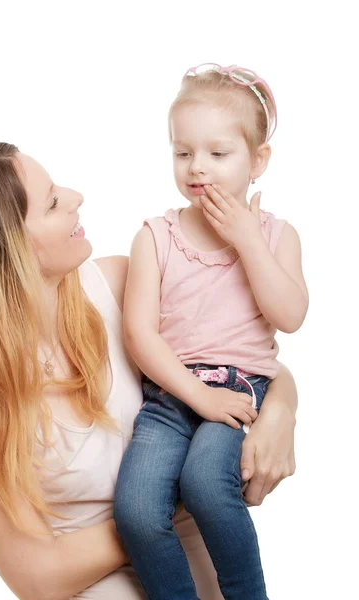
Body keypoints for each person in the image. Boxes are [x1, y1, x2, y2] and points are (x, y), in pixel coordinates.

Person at [0, 141, 298, 600]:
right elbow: (36, 578)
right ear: (13, 251)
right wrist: (163, 506)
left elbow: (237, 362)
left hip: (207, 566)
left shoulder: (120, 285)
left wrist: (281, 411)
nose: (76, 197)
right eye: (53, 201)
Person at [113, 63, 308, 600]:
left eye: (219, 154)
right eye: (182, 153)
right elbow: (139, 335)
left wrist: (248, 239)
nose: (198, 168)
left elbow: (290, 315)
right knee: (135, 509)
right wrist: (195, 394)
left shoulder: (275, 235)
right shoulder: (155, 236)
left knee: (205, 482)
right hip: (172, 393)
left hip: (240, 388)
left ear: (258, 160)